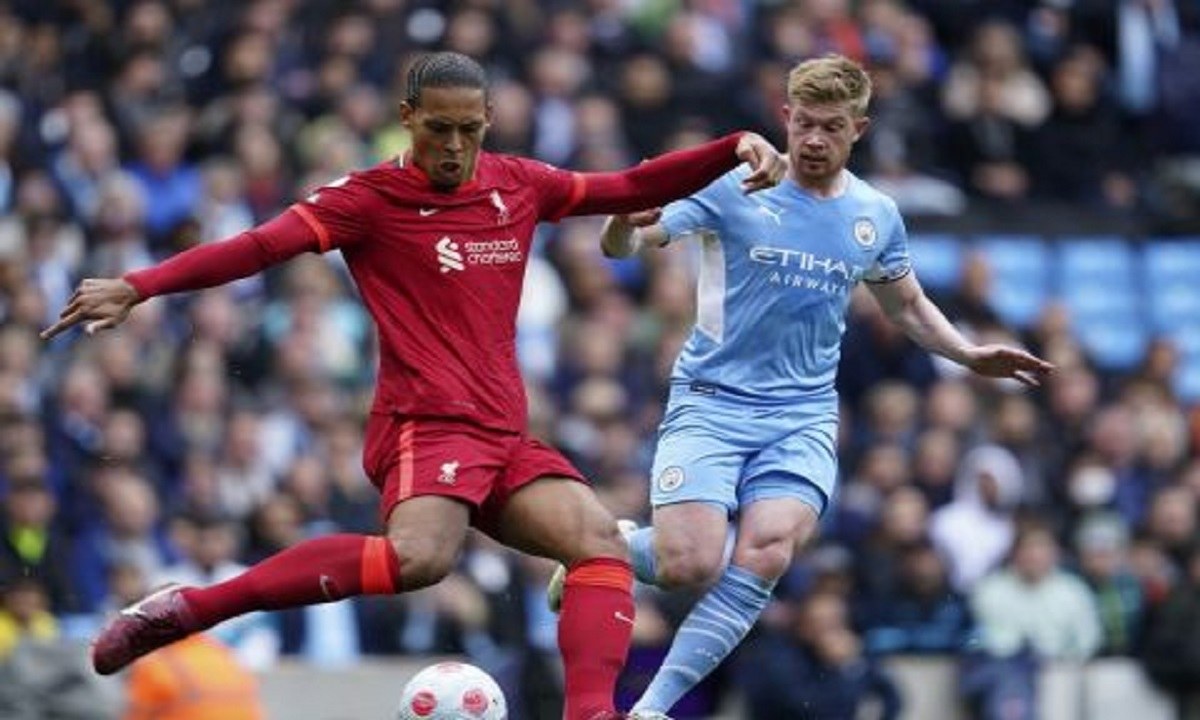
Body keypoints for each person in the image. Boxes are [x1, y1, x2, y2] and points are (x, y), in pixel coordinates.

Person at [41, 51, 786, 720]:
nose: (454, 147)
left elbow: (625, 186)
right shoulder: (367, 199)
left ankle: (591, 713)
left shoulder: (518, 184)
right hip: (423, 423)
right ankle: (190, 609)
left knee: (599, 545)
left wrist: (729, 148)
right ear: (407, 118)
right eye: (438, 129)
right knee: (420, 560)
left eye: (469, 129)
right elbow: (261, 246)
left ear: (489, 120)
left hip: (503, 432)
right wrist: (139, 285)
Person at [557, 53, 1054, 718]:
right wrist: (624, 221)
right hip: (711, 401)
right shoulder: (733, 185)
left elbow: (905, 305)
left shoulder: (875, 214)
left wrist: (966, 354)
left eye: (832, 127)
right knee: (688, 564)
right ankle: (614, 546)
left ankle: (651, 710)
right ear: (786, 117)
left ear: (860, 129)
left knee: (766, 550)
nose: (815, 140)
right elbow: (621, 248)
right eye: (805, 124)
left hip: (802, 414)